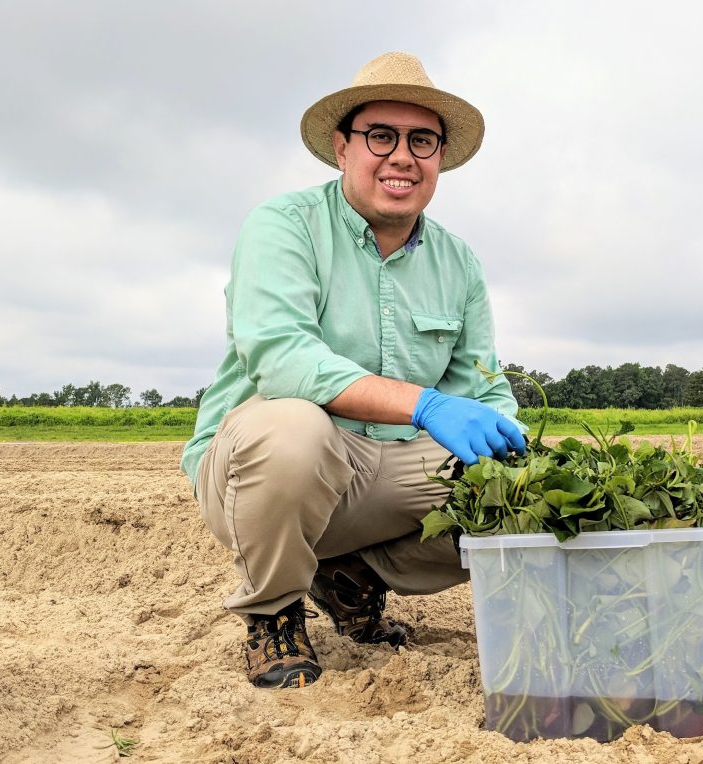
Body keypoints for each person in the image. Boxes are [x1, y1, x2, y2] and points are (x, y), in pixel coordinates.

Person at [180, 52, 525, 690]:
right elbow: (282, 358)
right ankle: (274, 614)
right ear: (342, 148)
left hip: (386, 469)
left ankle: (346, 573)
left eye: (422, 140)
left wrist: (511, 437)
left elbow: (482, 386)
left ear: (440, 158)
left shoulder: (459, 263)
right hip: (261, 473)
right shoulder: (282, 227)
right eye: (380, 136)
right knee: (290, 428)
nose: (402, 156)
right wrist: (425, 405)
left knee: (515, 490)